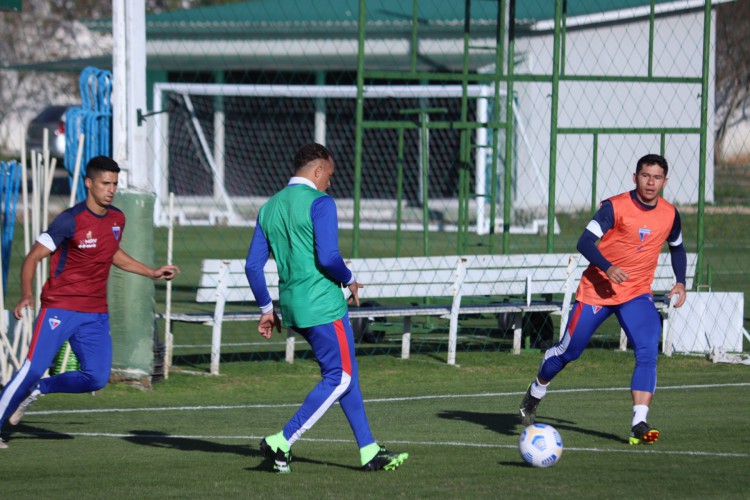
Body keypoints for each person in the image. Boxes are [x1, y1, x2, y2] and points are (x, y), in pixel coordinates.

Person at [245, 143, 408, 473]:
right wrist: (350, 279)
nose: (330, 183)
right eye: (329, 175)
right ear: (317, 171)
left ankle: (369, 450)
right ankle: (282, 441)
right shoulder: (321, 203)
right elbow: (328, 258)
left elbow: (252, 266)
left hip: (292, 307)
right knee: (340, 376)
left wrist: (266, 308)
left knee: (347, 376)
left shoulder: (269, 207)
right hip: (323, 307)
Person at [0, 156, 179, 449]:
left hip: (95, 313)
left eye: (115, 184)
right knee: (32, 367)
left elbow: (111, 253)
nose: (111, 189)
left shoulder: (117, 218)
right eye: (105, 183)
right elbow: (32, 257)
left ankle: (39, 389)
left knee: (95, 378)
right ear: (89, 183)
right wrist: (26, 294)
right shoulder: (69, 220)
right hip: (59, 307)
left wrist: (151, 271)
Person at [518, 153, 687, 445]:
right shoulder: (615, 207)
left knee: (648, 350)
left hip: (636, 294)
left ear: (665, 181)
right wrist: (607, 267)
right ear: (635, 178)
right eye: (645, 175)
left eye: (657, 177)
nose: (651, 182)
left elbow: (678, 247)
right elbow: (584, 241)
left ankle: (639, 422)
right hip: (598, 290)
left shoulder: (670, 214)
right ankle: (536, 391)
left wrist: (681, 282)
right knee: (568, 353)